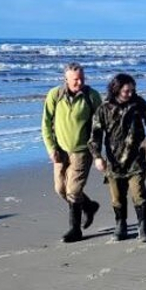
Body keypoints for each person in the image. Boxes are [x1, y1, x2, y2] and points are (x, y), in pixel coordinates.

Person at [89, 73, 146, 242]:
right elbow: (95, 135)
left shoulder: (137, 103)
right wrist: (97, 157)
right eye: (126, 91)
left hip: (136, 158)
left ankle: (143, 228)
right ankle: (120, 226)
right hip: (114, 162)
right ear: (116, 89)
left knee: (138, 193)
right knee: (117, 197)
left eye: (132, 90)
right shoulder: (103, 109)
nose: (130, 93)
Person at [41, 62, 102, 243]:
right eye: (75, 79)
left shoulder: (92, 96)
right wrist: (51, 148)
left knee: (73, 190)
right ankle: (89, 206)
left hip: (82, 151)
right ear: (65, 79)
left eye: (82, 78)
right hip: (60, 151)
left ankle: (75, 230)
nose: (79, 82)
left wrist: (97, 151)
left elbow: (99, 125)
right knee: (60, 189)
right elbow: (46, 123)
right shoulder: (55, 95)